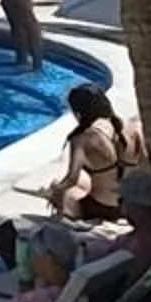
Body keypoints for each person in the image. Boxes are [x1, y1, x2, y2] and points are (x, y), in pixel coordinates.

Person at [37, 85, 141, 220]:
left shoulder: (82, 139)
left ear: (79, 112)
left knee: (65, 193)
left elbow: (71, 180)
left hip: (103, 208)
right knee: (84, 180)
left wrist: (54, 190)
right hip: (128, 205)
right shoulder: (124, 128)